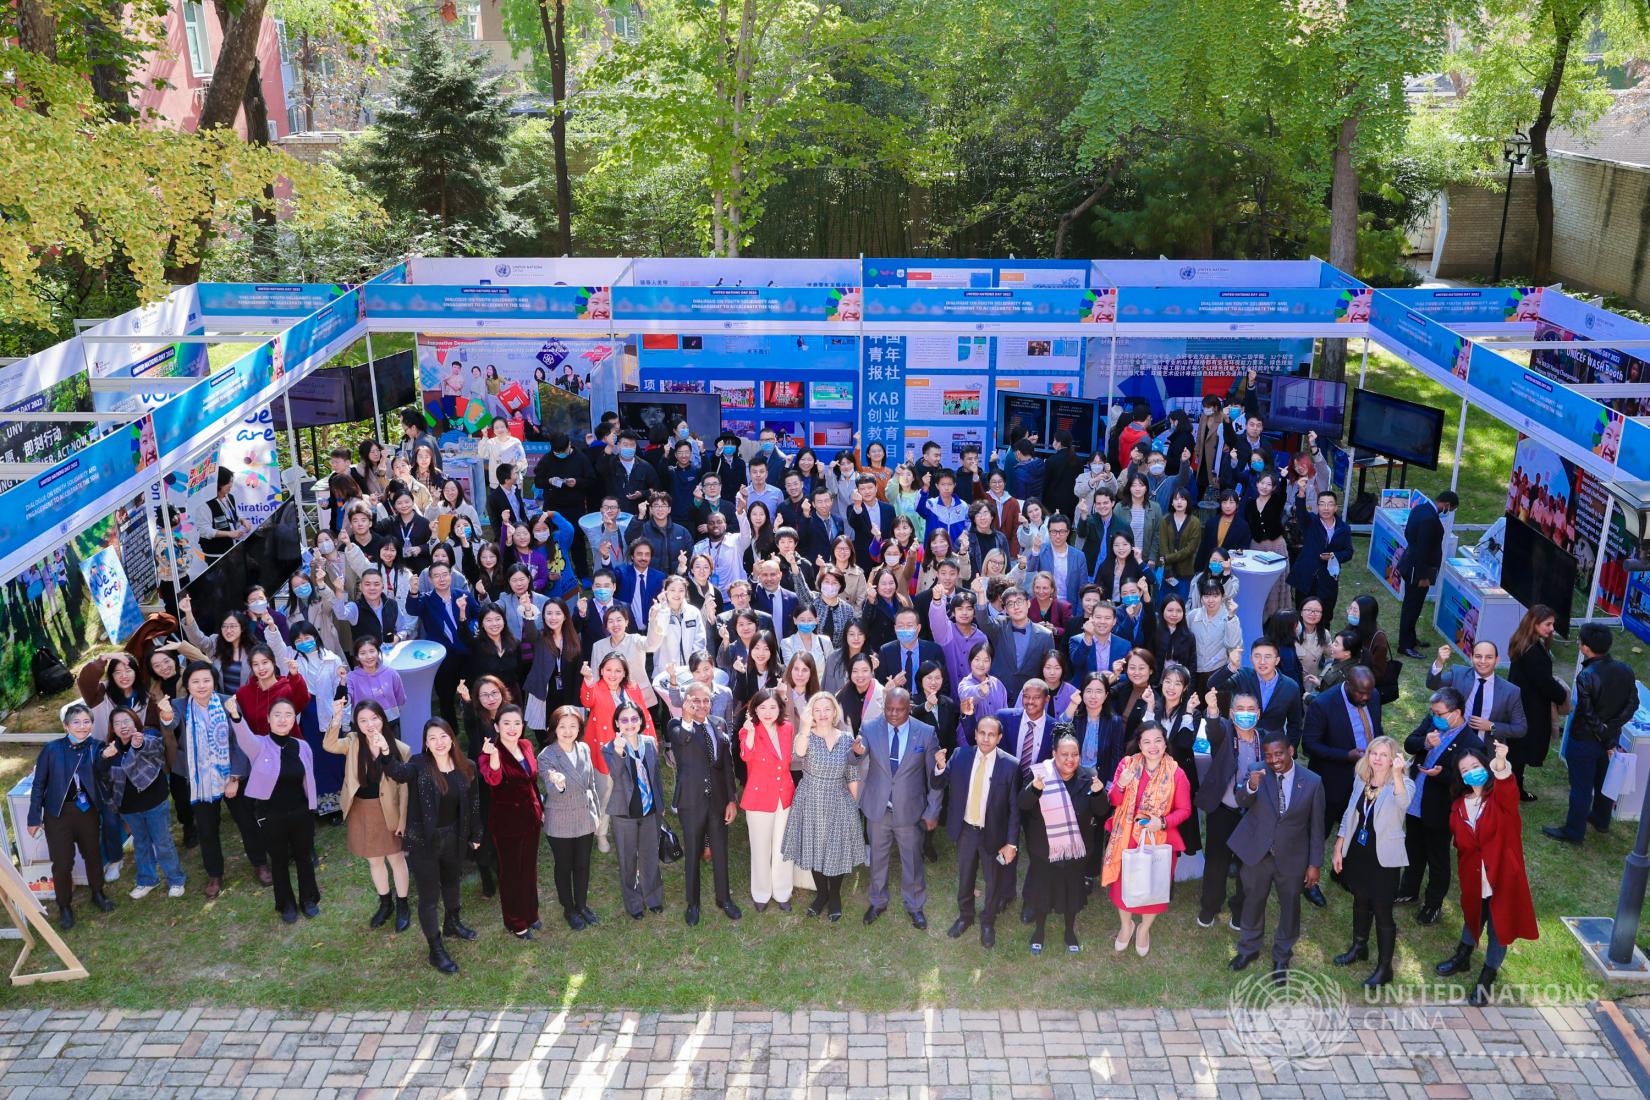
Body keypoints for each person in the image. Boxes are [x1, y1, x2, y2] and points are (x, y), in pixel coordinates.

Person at [1436, 739, 1539, 1005]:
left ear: (1486, 766)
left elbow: (1508, 788)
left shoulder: (1501, 799)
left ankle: (1487, 977)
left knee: (1499, 927)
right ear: (1460, 776)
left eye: (1475, 766)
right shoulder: (1459, 805)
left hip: (1503, 878)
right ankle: (1463, 957)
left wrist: (1502, 762)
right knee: (1472, 916)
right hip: (1474, 877)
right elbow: (1460, 841)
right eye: (1465, 769)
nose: (1471, 772)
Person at [376, 718, 482, 974]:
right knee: (429, 897)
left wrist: (476, 833)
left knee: (452, 882)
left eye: (443, 736)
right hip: (424, 840)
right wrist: (386, 752)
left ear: (452, 738)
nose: (439, 742)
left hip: (453, 837)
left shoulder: (466, 766)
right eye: (432, 738)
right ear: (425, 742)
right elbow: (396, 773)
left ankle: (453, 924)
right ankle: (435, 950)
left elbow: (474, 801)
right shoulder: (419, 765)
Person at [162, 662, 270, 898]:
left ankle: (260, 863)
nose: (201, 686)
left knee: (247, 821)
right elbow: (169, 723)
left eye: (206, 680)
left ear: (214, 681)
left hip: (230, 774)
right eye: (195, 681)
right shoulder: (180, 706)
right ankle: (215, 874)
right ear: (187, 685)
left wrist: (235, 778)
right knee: (207, 830)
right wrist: (165, 712)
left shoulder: (226, 701)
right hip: (201, 780)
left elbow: (240, 741)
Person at [1228, 731, 1326, 983]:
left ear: (1291, 751)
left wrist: (1314, 864)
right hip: (1258, 853)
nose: (1274, 760)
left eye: (1279, 753)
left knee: (1290, 906)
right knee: (1253, 900)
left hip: (1292, 857)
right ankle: (1248, 949)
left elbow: (1317, 828)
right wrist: (1251, 786)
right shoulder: (1257, 770)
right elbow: (1241, 800)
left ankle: (1282, 956)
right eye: (1269, 755)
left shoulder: (1313, 782)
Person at [853, 688, 943, 928]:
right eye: (889, 709)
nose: (893, 714)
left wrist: (933, 811)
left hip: (910, 810)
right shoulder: (870, 728)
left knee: (912, 860)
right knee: (878, 858)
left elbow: (935, 776)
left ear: (909, 708)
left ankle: (914, 905)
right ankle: (877, 901)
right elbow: (855, 760)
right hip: (878, 809)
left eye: (899, 710)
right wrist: (855, 752)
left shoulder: (925, 733)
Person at [1101, 721, 1191, 956]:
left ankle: (1144, 929)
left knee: (1154, 887)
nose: (1153, 746)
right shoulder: (1127, 765)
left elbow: (1185, 810)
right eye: (1147, 741)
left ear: (1165, 743)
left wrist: (1161, 822)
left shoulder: (1176, 773)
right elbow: (1113, 800)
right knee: (1123, 887)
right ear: (1139, 745)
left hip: (1159, 839)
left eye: (1158, 740)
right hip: (1127, 836)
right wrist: (1121, 784)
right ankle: (1126, 925)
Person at [1398, 687, 1485, 925]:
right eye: (1432, 712)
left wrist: (1441, 774)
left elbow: (1470, 783)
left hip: (1439, 809)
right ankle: (1408, 889)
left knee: (1437, 858)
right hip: (1416, 802)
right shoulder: (1433, 722)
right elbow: (1409, 743)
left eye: (1439, 712)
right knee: (1413, 848)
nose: (1433, 716)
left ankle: (1433, 904)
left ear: (1456, 713)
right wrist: (1425, 742)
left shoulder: (1471, 743)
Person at [1544, 623, 1637, 847]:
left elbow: (1588, 713)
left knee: (1582, 787)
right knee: (1605, 781)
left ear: (1585, 648)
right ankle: (1601, 819)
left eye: (1579, 641)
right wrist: (1611, 729)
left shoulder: (1586, 675)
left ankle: (1574, 831)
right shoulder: (1625, 669)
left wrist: (1603, 731)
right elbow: (1632, 704)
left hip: (1585, 740)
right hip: (1609, 738)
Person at [931, 714, 1018, 947]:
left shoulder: (1010, 765)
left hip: (994, 833)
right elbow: (938, 784)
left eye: (991, 734)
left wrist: (1011, 842)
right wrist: (940, 767)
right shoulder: (961, 756)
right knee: (965, 875)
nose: (986, 738)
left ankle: (988, 921)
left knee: (993, 880)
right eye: (982, 733)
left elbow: (1014, 809)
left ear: (999, 737)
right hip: (966, 831)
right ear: (976, 733)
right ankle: (965, 916)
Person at [324, 699, 411, 932]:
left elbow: (404, 789)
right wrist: (336, 717)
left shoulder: (400, 749)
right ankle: (385, 903)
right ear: (356, 723)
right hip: (362, 809)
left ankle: (403, 904)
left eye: (374, 718)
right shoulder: (352, 742)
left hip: (389, 811)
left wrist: (403, 820)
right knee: (374, 860)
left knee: (396, 858)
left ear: (383, 719)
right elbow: (329, 745)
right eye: (363, 720)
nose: (369, 724)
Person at [232, 696, 321, 924]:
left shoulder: (302, 746)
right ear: (268, 719)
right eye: (277, 715)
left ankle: (308, 899)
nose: (283, 719)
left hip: (301, 812)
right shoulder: (259, 745)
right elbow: (243, 736)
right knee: (279, 860)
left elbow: (309, 778)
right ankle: (286, 904)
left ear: (294, 719)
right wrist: (235, 715)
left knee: (303, 857)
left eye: (288, 715)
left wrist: (311, 808)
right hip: (271, 815)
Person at [27, 704, 117, 928]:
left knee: (93, 854)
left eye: (86, 721)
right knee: (62, 863)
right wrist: (33, 817)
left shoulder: (97, 747)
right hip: (58, 814)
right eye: (76, 722)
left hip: (87, 811)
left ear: (92, 724)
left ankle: (97, 892)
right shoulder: (52, 749)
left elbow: (103, 771)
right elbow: (39, 784)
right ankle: (64, 906)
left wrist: (106, 758)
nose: (82, 726)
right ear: (65, 726)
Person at [1330, 735, 1409, 988]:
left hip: (1384, 858)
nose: (1377, 758)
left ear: (1393, 759)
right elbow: (1349, 813)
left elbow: (1403, 804)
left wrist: (1397, 774)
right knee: (1360, 900)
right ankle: (1359, 947)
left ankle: (1385, 968)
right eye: (1374, 753)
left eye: (1384, 755)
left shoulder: (1404, 783)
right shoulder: (1361, 779)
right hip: (1359, 853)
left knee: (1383, 911)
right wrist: (1339, 845)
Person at [781, 691, 865, 921]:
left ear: (835, 711)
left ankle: (835, 895)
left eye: (827, 709)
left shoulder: (847, 738)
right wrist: (805, 727)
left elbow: (852, 772)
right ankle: (822, 894)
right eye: (817, 710)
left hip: (838, 798)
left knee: (835, 849)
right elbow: (798, 753)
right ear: (811, 714)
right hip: (810, 798)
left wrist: (853, 805)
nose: (823, 714)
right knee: (813, 847)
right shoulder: (806, 736)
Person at [1302, 666, 1384, 899]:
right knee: (1320, 830)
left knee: (1357, 827)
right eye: (1360, 693)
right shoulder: (1324, 705)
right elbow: (1309, 746)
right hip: (1333, 781)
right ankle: (1308, 881)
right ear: (1347, 683)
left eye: (1368, 693)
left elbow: (1376, 729)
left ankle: (1342, 872)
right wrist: (1345, 756)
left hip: (1366, 778)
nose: (1365, 698)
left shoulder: (1372, 696)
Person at [1019, 732, 1104, 955]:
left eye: (1074, 754)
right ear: (1054, 754)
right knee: (1042, 894)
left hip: (1075, 851)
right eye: (1064, 754)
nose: (1069, 759)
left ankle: (1069, 931)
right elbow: (1023, 805)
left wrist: (1099, 794)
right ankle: (1039, 931)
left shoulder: (1088, 778)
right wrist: (1035, 788)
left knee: (1071, 895)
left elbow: (1102, 811)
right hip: (1044, 850)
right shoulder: (1040, 775)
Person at [94, 707, 185, 900]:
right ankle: (147, 880)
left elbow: (157, 748)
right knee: (141, 844)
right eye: (117, 723)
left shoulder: (146, 738)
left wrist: (138, 746)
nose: (122, 726)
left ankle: (176, 880)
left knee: (162, 843)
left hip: (154, 803)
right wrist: (104, 758)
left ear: (135, 721)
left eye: (126, 721)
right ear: (112, 728)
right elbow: (101, 774)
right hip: (129, 808)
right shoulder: (110, 749)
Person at [669, 682, 742, 925]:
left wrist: (731, 799)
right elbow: (683, 743)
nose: (701, 705)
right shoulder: (677, 726)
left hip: (719, 801)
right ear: (686, 701)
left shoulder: (718, 725)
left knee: (720, 851)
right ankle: (693, 903)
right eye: (695, 700)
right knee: (692, 851)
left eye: (705, 700)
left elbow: (727, 767)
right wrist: (687, 718)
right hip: (691, 801)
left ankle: (724, 899)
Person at [477, 704, 544, 938]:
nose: (512, 728)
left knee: (528, 868)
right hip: (507, 823)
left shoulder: (526, 746)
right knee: (511, 872)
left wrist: (540, 808)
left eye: (517, 723)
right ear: (497, 726)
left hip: (531, 818)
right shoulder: (489, 752)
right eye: (506, 723)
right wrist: (494, 756)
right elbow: (493, 780)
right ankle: (515, 921)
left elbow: (531, 781)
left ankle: (531, 913)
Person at [1195, 690, 1256, 930]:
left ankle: (1239, 909)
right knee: (1216, 862)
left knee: (1246, 865)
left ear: (1259, 714)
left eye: (1251, 710)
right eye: (1240, 709)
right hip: (1223, 809)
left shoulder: (1264, 740)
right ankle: (1210, 906)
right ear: (1231, 714)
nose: (1245, 714)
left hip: (1252, 814)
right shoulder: (1224, 734)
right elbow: (1213, 730)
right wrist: (1212, 711)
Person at [537, 705, 600, 930]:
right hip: (560, 820)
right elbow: (553, 790)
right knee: (564, 866)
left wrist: (596, 814)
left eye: (573, 726)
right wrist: (559, 783)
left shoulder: (584, 748)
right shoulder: (546, 756)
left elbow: (591, 784)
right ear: (554, 728)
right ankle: (569, 909)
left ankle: (582, 905)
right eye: (562, 726)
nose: (567, 731)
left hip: (584, 815)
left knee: (583, 864)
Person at [603, 700, 666, 920]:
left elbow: (655, 776)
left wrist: (661, 805)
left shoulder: (649, 742)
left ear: (640, 721)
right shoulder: (610, 747)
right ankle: (634, 903)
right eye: (624, 720)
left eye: (634, 719)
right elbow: (616, 774)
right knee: (627, 861)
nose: (630, 723)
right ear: (617, 723)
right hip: (624, 814)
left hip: (649, 811)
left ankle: (653, 898)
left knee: (649, 857)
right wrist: (620, 753)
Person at [740, 688, 798, 912]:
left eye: (772, 707)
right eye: (762, 707)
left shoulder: (787, 728)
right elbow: (747, 756)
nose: (767, 712)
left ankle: (782, 891)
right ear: (754, 709)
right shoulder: (748, 730)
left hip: (784, 795)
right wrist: (751, 733)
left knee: (783, 847)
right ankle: (761, 893)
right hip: (759, 797)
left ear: (780, 708)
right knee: (760, 847)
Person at [1507, 604, 1567, 802]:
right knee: (1519, 753)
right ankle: (1513, 790)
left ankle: (1514, 788)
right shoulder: (1532, 651)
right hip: (1529, 708)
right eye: (1548, 624)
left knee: (1517, 751)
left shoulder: (1523, 642)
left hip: (1522, 704)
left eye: (1552, 624)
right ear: (1534, 624)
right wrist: (1562, 695)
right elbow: (1544, 683)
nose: (1551, 628)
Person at [1425, 641, 1529, 748]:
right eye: (1478, 656)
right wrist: (1439, 662)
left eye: (1489, 657)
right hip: (1451, 742)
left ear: (1497, 660)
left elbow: (1520, 728)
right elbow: (1433, 684)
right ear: (1471, 657)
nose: (1483, 661)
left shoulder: (1510, 691)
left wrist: (1491, 727)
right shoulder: (1458, 674)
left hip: (1484, 748)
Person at [1396, 490, 1458, 657]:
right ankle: (1405, 644)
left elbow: (1409, 533)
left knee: (1413, 605)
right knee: (1412, 606)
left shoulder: (1420, 508)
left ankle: (1411, 637)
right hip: (1418, 571)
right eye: (1450, 509)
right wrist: (1423, 576)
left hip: (1412, 564)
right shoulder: (1430, 519)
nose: (1448, 512)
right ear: (1446, 504)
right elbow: (1424, 550)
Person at [1229, 639, 1303, 747]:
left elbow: (1295, 723)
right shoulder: (1243, 676)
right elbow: (1214, 684)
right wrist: (1231, 667)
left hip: (1272, 745)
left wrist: (1291, 747)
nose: (1262, 661)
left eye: (1268, 657)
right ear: (1251, 658)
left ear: (1277, 660)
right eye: (1257, 656)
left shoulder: (1290, 687)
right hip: (1240, 741)